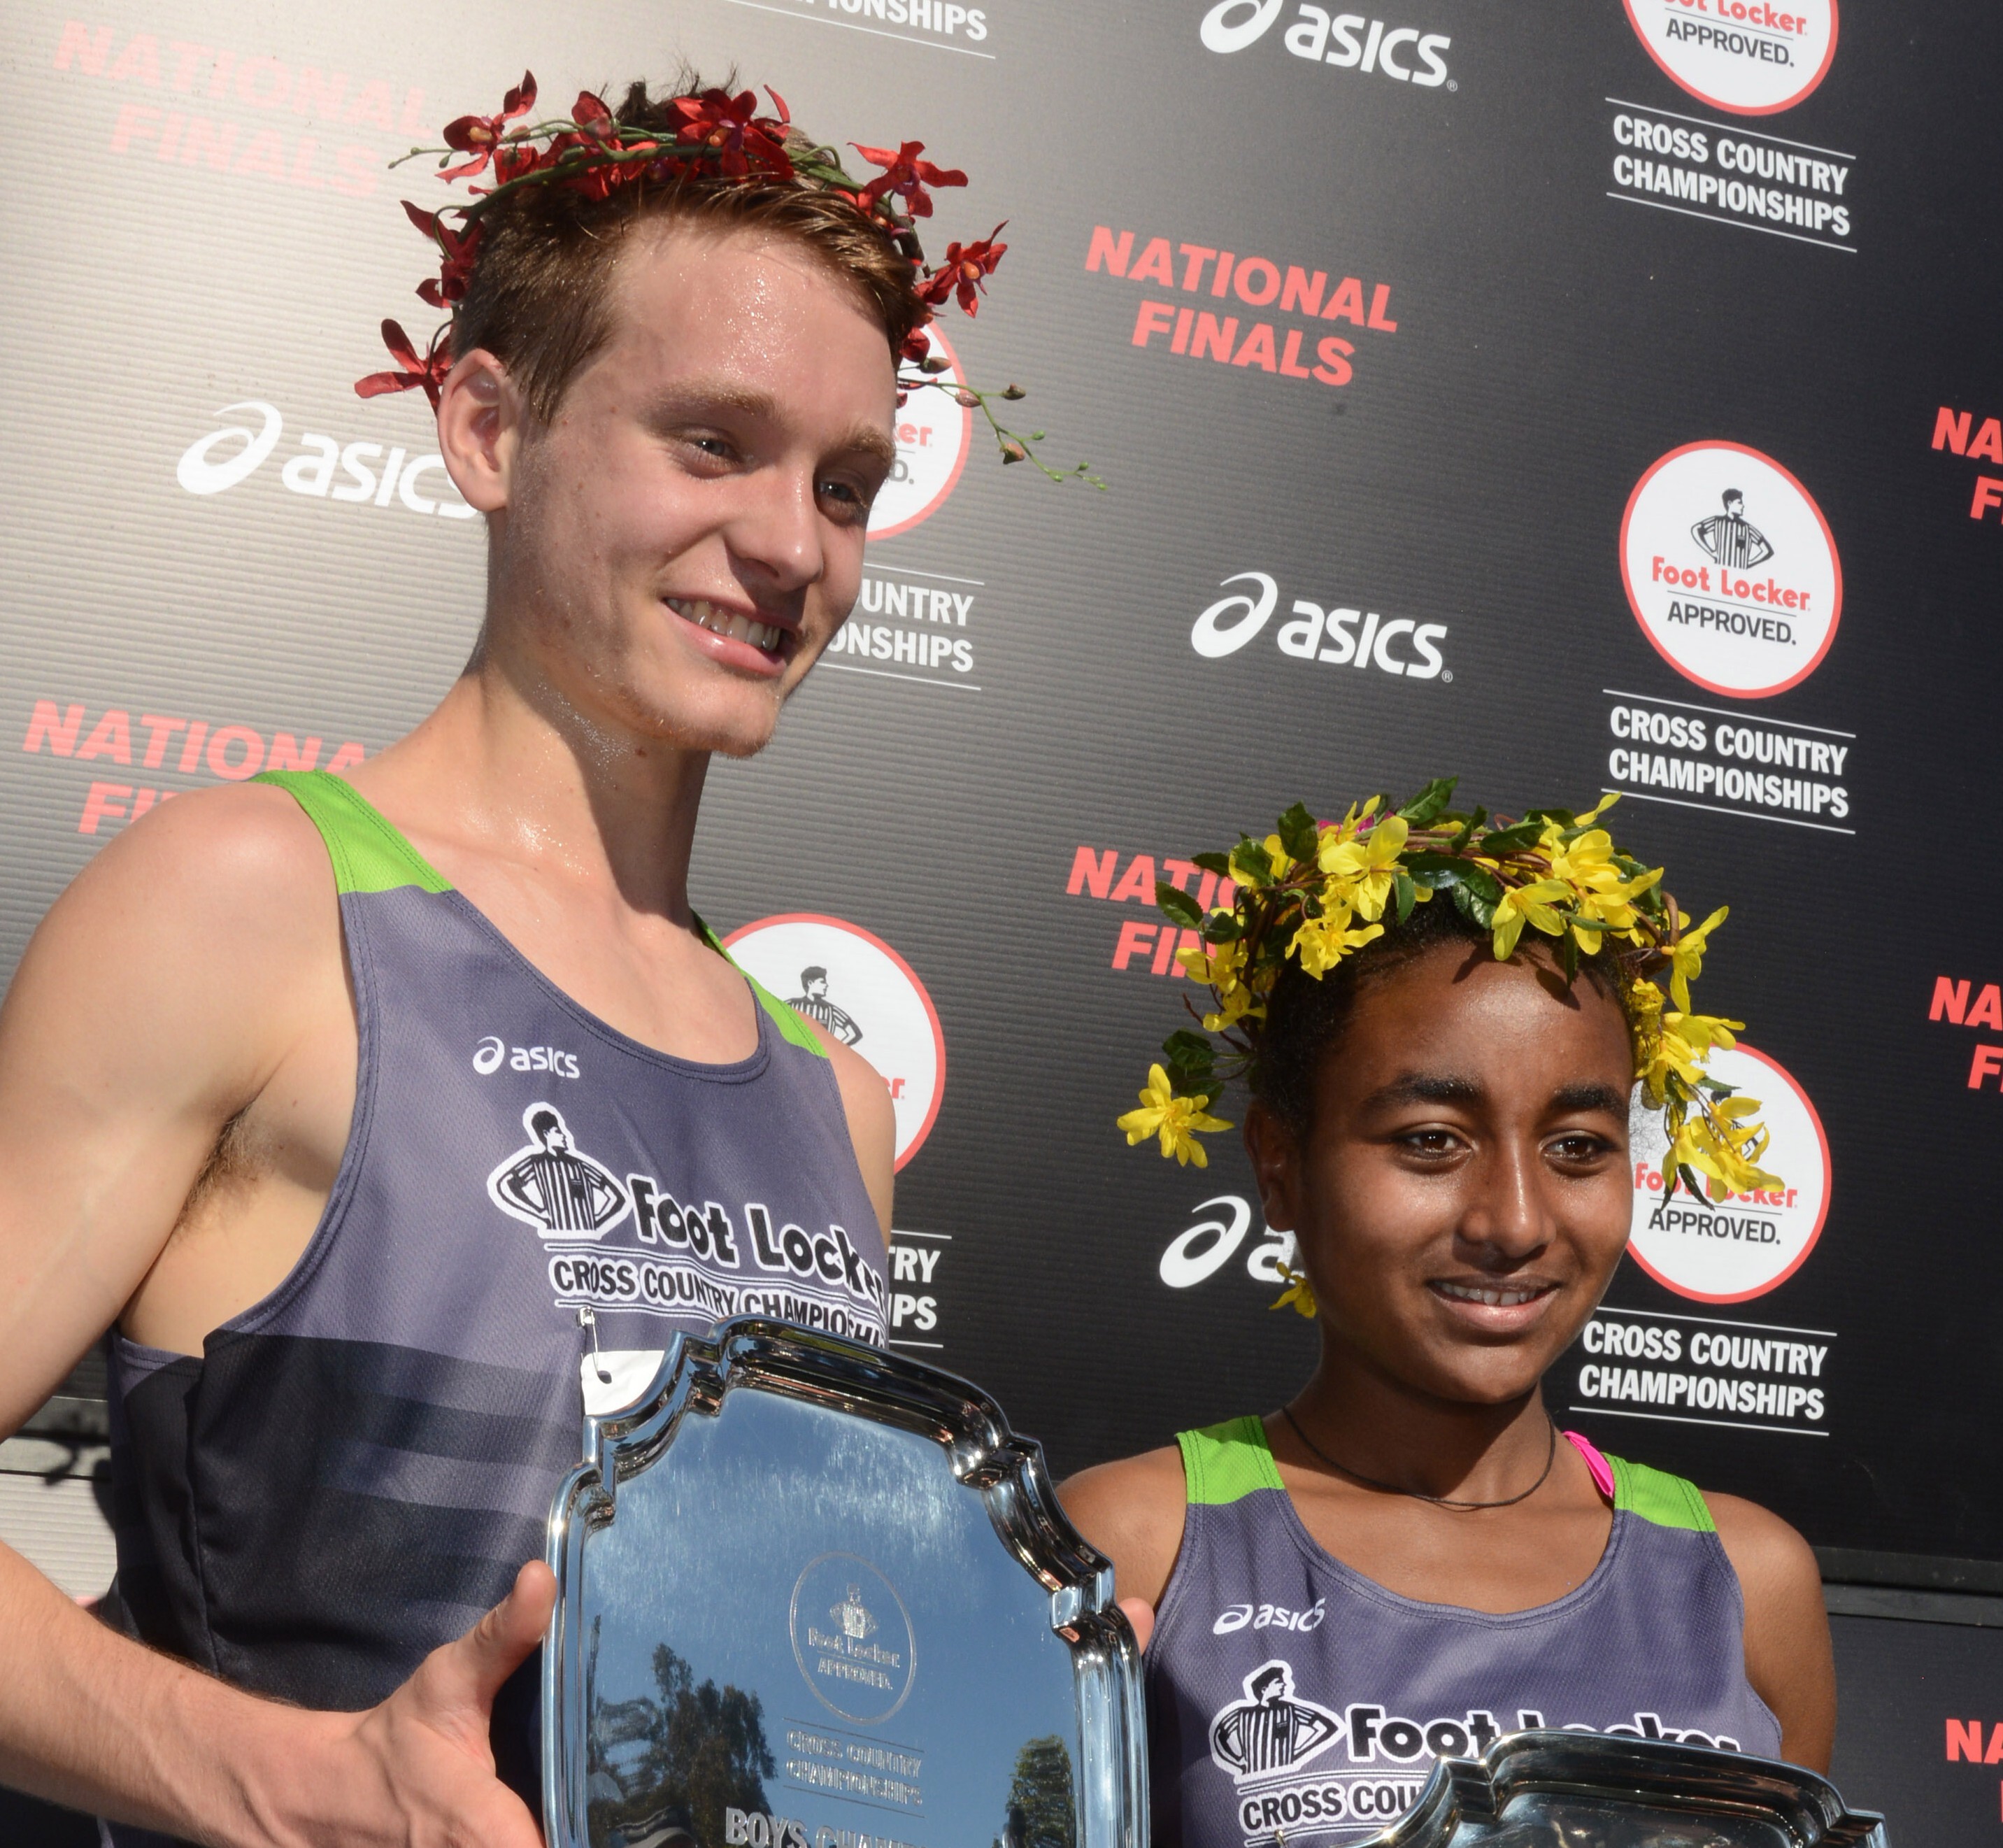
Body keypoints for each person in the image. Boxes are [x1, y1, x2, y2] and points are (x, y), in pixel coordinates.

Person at [0, 69, 1039, 1848]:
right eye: (710, 443)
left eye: (846, 483)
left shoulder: (835, 1098)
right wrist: (297, 1788)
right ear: (487, 427)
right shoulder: (252, 901)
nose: (791, 543)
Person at [1061, 786, 1834, 1848]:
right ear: (1280, 1165)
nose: (1515, 1221)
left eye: (1578, 1147)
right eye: (1432, 1140)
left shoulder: (1747, 1584)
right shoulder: (1140, 1545)